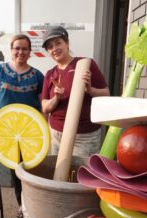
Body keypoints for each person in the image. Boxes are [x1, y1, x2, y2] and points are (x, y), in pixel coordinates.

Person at [0, 34, 44, 218]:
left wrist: (44, 126)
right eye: (17, 48)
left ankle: (32, 205)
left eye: (24, 48)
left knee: (30, 169)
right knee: (16, 170)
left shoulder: (38, 76)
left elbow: (42, 105)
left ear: (30, 52)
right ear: (11, 49)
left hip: (29, 131)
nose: (20, 52)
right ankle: (22, 206)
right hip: (6, 131)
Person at [41, 26, 110, 157]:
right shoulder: (50, 74)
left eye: (58, 43)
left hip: (84, 135)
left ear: (67, 43)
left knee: (80, 174)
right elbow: (45, 107)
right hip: (57, 133)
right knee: (58, 174)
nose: (54, 49)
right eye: (50, 47)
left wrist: (90, 90)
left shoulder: (85, 64)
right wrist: (56, 98)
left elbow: (106, 93)